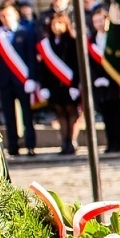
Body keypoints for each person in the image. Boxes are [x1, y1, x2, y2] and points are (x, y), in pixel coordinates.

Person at [0, 2, 38, 157]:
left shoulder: (26, 32)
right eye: (2, 16)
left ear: (16, 15)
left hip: (23, 80)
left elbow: (31, 57)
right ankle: (13, 146)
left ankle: (30, 145)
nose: (5, 18)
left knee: (27, 114)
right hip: (5, 81)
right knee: (9, 116)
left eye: (9, 15)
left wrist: (32, 78)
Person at [37, 10, 82, 155]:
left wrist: (75, 84)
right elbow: (43, 67)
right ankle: (64, 142)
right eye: (54, 23)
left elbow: (77, 65)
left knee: (72, 111)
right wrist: (44, 86)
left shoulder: (72, 42)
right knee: (60, 112)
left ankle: (72, 140)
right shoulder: (46, 44)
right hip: (54, 85)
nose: (56, 26)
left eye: (60, 23)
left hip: (70, 84)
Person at [88, 3, 120, 154]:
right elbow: (90, 61)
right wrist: (96, 78)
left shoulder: (114, 37)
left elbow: (116, 60)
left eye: (101, 21)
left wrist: (108, 78)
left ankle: (117, 143)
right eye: (96, 22)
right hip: (99, 83)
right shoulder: (92, 39)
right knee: (105, 114)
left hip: (113, 81)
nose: (99, 25)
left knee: (115, 113)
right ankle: (110, 143)